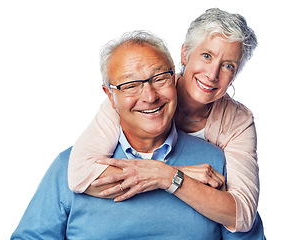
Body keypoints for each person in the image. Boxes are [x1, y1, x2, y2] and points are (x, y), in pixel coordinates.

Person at [11, 31, 265, 239]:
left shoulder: (216, 163)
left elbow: (243, 224)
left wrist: (169, 177)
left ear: (174, 76)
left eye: (159, 78)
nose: (150, 96)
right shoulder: (71, 166)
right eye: (130, 85)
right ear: (110, 95)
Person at [68, 8, 259, 232]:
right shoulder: (133, 98)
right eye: (207, 55)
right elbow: (80, 174)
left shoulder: (238, 121)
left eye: (228, 66)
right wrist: (175, 174)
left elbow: (243, 215)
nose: (212, 74)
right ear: (185, 54)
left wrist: (167, 176)